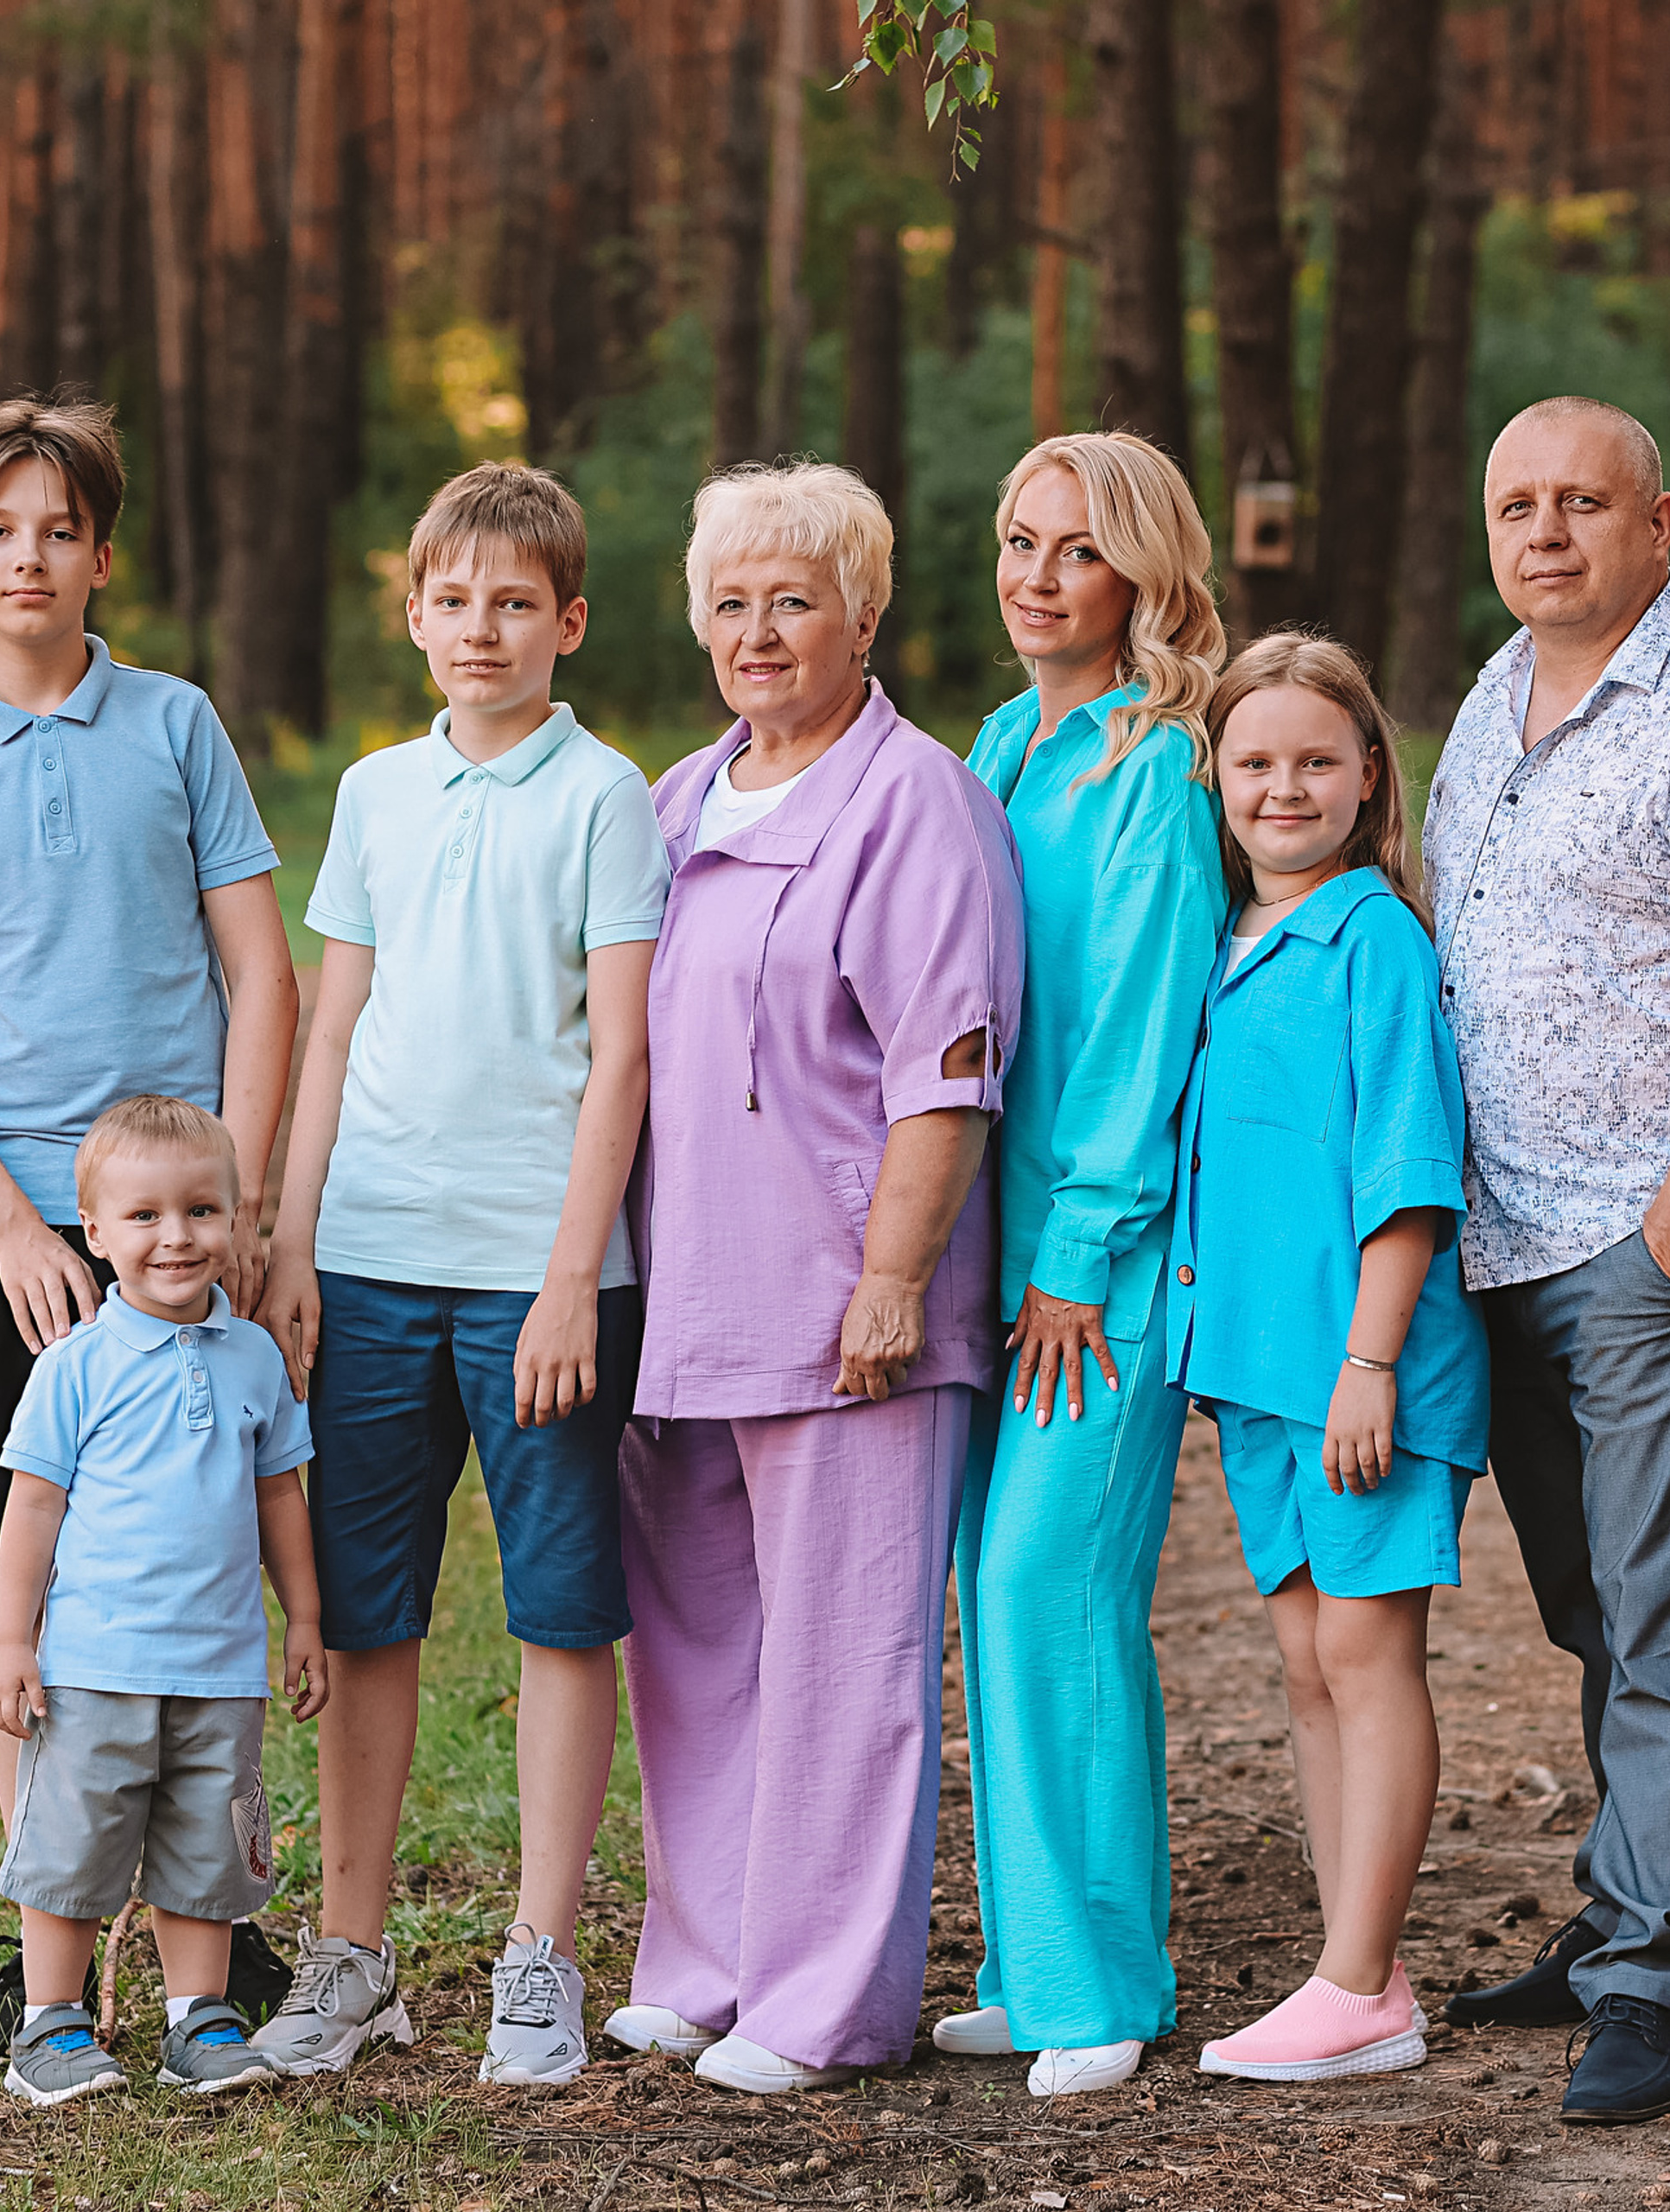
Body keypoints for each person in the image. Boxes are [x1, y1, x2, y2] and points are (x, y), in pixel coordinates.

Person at [0, 396, 301, 2058]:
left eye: (62, 529)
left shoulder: (174, 725)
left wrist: (233, 1199)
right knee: (21, 1565)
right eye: (0, 527)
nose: (30, 557)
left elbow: (262, 971)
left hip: (176, 1217)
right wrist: (17, 1226)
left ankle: (213, 1946)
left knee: (201, 1555)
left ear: (102, 555)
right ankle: (58, 1960)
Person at [1427, 397, 1670, 2126]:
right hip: (1501, 1245)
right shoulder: (1484, 701)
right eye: (1513, 502)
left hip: (1639, 1244)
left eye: (1578, 501)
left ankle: (1654, 1978)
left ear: (1654, 521)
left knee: (1659, 1603)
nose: (1541, 531)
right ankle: (1614, 1916)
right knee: (1593, 1601)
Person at [609, 461, 1024, 2095]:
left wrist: (896, 1274)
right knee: (701, 1649)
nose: (759, 631)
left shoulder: (913, 800)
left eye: (795, 598)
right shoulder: (675, 799)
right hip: (688, 1301)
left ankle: (825, 2004)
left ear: (864, 611)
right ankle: (704, 1960)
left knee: (850, 1666)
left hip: (852, 1308)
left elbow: (948, 1063)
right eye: (730, 601)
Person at [251, 462, 667, 2087]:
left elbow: (622, 1054)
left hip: (539, 1274)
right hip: (368, 1260)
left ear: (566, 621)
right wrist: (291, 1239)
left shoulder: (605, 796)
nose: (481, 629)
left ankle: (539, 1957)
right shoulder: (371, 793)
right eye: (453, 600)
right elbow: (333, 1025)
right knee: (367, 1617)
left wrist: (573, 1275)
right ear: (415, 613)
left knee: (562, 1613)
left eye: (515, 603)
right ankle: (353, 1959)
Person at [931, 434, 1226, 2099]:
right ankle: (1029, 1960)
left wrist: (1078, 1248)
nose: (1036, 576)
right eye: (1019, 541)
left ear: (1143, 576)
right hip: (989, 1244)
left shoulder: (1163, 761)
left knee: (1056, 1590)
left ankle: (1104, 1979)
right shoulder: (1002, 742)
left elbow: (1139, 1024)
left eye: (1076, 552)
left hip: (1097, 1262)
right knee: (993, 1589)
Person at [1165, 634, 1488, 2085]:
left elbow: (1407, 1171)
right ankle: (1357, 1961)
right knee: (1306, 1663)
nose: (1283, 787)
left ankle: (1358, 1984)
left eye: (1315, 761)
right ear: (1215, 778)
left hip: (1367, 1373)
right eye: (1254, 763)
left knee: (1366, 1652)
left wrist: (1369, 1363)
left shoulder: (1375, 940)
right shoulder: (1222, 942)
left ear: (1369, 777)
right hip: (1260, 1372)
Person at [0, 1096, 323, 2105]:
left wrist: (302, 1617)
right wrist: (10, 1637)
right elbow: (32, 1508)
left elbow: (278, 1497)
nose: (177, 1236)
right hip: (93, 1666)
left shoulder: (256, 1357)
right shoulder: (73, 1366)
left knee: (205, 1844)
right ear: (94, 1232)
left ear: (235, 1219)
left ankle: (199, 2019)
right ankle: (49, 2024)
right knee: (73, 1846)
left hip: (220, 1668)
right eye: (144, 1216)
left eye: (202, 1210)